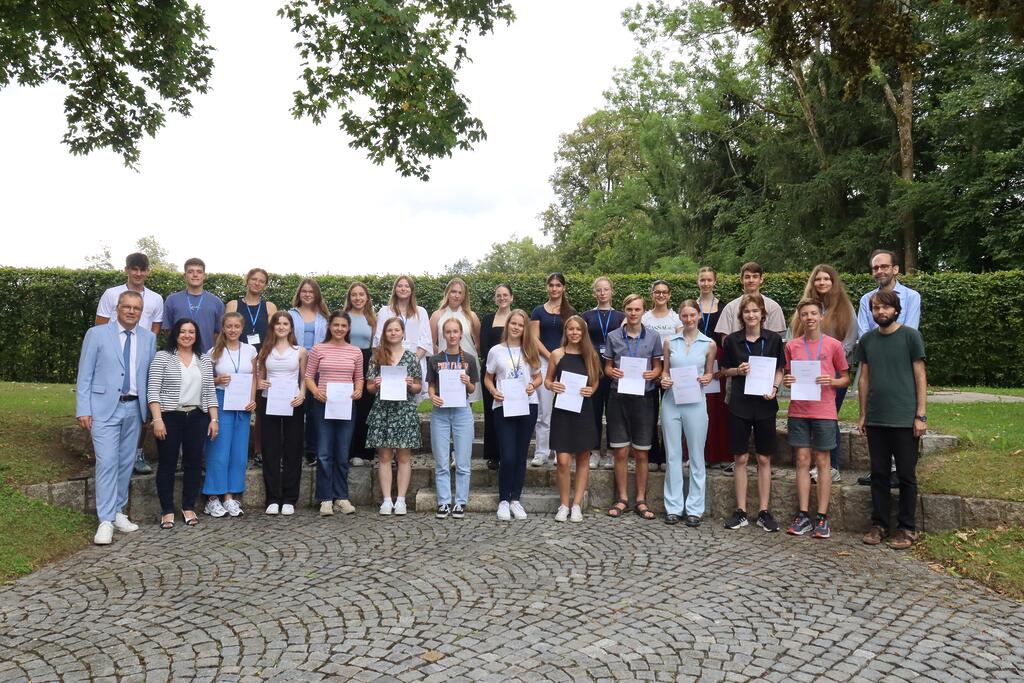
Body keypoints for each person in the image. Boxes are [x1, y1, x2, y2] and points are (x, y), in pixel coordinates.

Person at [76, 291, 157, 545]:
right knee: (108, 461)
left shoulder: (149, 338)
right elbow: (85, 374)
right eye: (127, 307)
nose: (132, 311)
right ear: (117, 308)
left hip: (134, 409)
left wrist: (151, 411)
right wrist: (83, 409)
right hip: (103, 408)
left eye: (137, 308)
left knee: (124, 463)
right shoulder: (97, 334)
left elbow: (150, 376)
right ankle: (105, 520)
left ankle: (119, 511)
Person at [856, 290, 927, 550]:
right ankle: (879, 524)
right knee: (879, 474)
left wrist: (921, 414)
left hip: (905, 418)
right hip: (876, 418)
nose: (880, 312)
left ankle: (907, 528)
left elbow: (920, 375)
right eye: (875, 308)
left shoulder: (910, 336)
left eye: (885, 308)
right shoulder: (867, 340)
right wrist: (863, 413)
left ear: (896, 310)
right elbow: (864, 378)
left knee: (907, 475)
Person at [782, 299, 850, 539]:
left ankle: (822, 517)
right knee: (801, 460)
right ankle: (802, 515)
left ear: (821, 317)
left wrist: (831, 381)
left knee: (822, 461)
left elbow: (845, 378)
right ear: (799, 318)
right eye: (804, 314)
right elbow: (789, 375)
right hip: (799, 409)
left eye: (813, 313)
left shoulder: (833, 345)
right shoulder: (792, 346)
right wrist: (788, 381)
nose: (809, 318)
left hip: (824, 411)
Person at [856, 249, 923, 488]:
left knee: (899, 412)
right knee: (877, 412)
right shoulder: (866, 300)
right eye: (875, 268)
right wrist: (877, 346)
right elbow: (863, 331)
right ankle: (880, 471)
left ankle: (898, 470)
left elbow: (910, 327)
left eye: (884, 266)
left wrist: (889, 340)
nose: (879, 271)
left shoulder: (912, 296)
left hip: (902, 360)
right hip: (874, 359)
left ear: (895, 269)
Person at [720, 293, 786, 532]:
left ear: (762, 314)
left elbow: (779, 369)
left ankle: (764, 510)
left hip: (765, 404)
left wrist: (775, 388)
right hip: (739, 404)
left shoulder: (773, 340)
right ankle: (740, 511)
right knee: (740, 458)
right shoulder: (732, 341)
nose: (751, 315)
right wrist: (738, 370)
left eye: (755, 311)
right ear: (741, 315)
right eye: (747, 312)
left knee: (764, 458)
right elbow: (724, 371)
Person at [94, 252, 164, 475]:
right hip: (115, 358)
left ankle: (138, 452)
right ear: (126, 270)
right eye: (134, 269)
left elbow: (155, 329)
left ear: (148, 272)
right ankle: (111, 453)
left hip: (140, 357)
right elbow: (100, 326)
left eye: (142, 269)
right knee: (114, 402)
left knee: (141, 405)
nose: (138, 273)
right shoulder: (111, 294)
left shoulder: (155, 298)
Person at [147, 319, 218, 529]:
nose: (187, 335)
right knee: (167, 464)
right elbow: (153, 390)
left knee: (194, 463)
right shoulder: (163, 357)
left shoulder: (203, 359)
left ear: (196, 336)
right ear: (175, 334)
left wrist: (214, 419)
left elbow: (210, 392)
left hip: (197, 416)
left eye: (192, 332)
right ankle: (167, 510)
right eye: (183, 331)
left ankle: (188, 507)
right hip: (169, 417)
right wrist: (157, 419)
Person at [791, 264, 857, 483]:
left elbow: (850, 338)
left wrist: (831, 359)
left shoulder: (845, 307)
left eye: (826, 279)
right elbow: (794, 336)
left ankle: (833, 466)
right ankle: (814, 466)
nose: (822, 283)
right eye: (818, 279)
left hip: (833, 373)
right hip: (807, 374)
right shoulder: (806, 306)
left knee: (829, 418)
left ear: (833, 281)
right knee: (809, 416)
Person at [602, 294, 663, 521]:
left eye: (637, 309)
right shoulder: (613, 336)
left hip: (644, 398)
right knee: (619, 450)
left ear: (643, 311)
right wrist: (612, 372)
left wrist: (653, 373)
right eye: (629, 309)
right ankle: (621, 498)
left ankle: (640, 499)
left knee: (641, 452)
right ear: (625, 310)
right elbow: (607, 367)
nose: (633, 313)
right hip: (618, 396)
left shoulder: (654, 337)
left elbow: (658, 367)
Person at [659, 300, 716, 527]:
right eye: (685, 315)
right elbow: (664, 372)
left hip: (695, 402)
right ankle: (673, 506)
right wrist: (664, 380)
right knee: (672, 455)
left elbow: (710, 374)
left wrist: (707, 378)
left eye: (693, 315)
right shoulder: (669, 341)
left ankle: (695, 508)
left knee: (696, 456)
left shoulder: (709, 343)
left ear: (699, 316)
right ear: (680, 317)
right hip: (672, 401)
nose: (689, 319)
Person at [484, 309, 542, 521]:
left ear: (525, 328)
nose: (516, 327)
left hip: (528, 406)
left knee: (520, 455)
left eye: (520, 324)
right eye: (513, 323)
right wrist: (493, 391)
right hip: (503, 406)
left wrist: (531, 385)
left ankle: (515, 499)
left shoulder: (530, 349)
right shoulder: (496, 351)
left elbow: (538, 378)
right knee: (507, 455)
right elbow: (488, 378)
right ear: (507, 325)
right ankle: (503, 500)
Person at [305, 311, 364, 516]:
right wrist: (315, 392)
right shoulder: (318, 349)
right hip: (323, 404)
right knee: (323, 453)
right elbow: (309, 376)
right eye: (336, 325)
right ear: (330, 327)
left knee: (342, 452)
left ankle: (342, 497)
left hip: (346, 405)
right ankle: (325, 499)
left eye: (343, 326)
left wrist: (358, 390)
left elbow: (359, 378)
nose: (339, 329)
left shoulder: (355, 351)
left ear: (348, 329)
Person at [201, 312, 257, 518]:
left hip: (242, 404)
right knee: (218, 450)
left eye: (236, 326)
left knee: (238, 452)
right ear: (223, 328)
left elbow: (254, 378)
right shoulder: (213, 352)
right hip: (221, 401)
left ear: (242, 329)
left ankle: (229, 496)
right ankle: (212, 498)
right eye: (229, 326)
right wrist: (217, 380)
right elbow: (206, 381)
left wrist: (253, 400)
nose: (233, 330)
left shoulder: (250, 350)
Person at [545, 315, 600, 522]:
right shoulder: (557, 354)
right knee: (563, 461)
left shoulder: (591, 355)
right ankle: (563, 504)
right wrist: (552, 386)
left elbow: (595, 383)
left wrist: (590, 390)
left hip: (583, 411)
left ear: (583, 332)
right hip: (562, 411)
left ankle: (576, 504)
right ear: (565, 332)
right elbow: (548, 380)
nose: (575, 333)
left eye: (578, 329)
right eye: (571, 329)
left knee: (583, 458)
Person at [366, 317, 423, 516]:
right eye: (389, 330)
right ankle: (386, 500)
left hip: (404, 411)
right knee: (384, 457)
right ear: (385, 333)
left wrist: (410, 384)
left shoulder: (411, 358)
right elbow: (369, 388)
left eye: (396, 330)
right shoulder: (377, 357)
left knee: (404, 457)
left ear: (402, 332)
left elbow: (418, 387)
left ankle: (401, 500)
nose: (393, 333)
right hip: (383, 410)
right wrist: (377, 383)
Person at [427, 318, 479, 519]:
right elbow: (431, 385)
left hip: (462, 411)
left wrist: (467, 382)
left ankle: (460, 502)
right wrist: (432, 396)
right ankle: (444, 502)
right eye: (448, 332)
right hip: (440, 411)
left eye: (455, 331)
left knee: (463, 460)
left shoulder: (469, 359)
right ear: (443, 334)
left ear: (460, 334)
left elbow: (472, 389)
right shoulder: (435, 359)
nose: (451, 335)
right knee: (441, 460)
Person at [256, 311, 307, 516]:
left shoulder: (300, 351)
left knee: (293, 449)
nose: (282, 327)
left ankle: (289, 498)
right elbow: (260, 377)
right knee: (271, 449)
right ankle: (272, 498)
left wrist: (302, 394)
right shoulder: (265, 351)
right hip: (270, 401)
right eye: (278, 323)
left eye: (285, 323)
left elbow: (304, 378)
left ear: (291, 327)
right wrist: (261, 383)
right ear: (273, 327)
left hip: (293, 402)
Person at [226, 267, 277, 468]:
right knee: (236, 404)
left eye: (261, 280)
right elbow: (225, 330)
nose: (257, 283)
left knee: (261, 407)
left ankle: (258, 450)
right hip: (239, 360)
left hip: (262, 360)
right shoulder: (233, 304)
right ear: (247, 280)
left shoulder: (269, 307)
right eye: (253, 279)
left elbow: (274, 334)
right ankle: (233, 449)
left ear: (265, 284)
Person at [530, 273, 576, 468]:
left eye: (558, 285)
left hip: (566, 363)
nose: (555, 288)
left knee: (564, 410)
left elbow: (574, 336)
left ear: (563, 288)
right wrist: (550, 356)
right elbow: (533, 338)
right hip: (543, 362)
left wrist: (560, 357)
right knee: (544, 411)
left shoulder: (570, 311)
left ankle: (561, 450)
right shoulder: (538, 311)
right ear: (547, 287)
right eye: (551, 285)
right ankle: (542, 451)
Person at [582, 277, 624, 471]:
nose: (602, 293)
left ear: (612, 291)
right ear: (594, 293)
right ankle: (596, 451)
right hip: (594, 368)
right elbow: (581, 341)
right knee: (595, 410)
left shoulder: (621, 316)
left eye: (606, 289)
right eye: (598, 290)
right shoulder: (587, 316)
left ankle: (613, 453)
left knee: (615, 412)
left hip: (615, 368)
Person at [289, 278, 330, 467]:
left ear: (316, 295)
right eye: (304, 291)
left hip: (318, 368)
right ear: (299, 293)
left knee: (314, 411)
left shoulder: (324, 317)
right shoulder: (290, 314)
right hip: (294, 365)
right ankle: (292, 450)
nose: (307, 294)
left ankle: (312, 451)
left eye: (311, 292)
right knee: (295, 407)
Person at [373, 275, 432, 403]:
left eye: (407, 286)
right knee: (389, 398)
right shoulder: (385, 311)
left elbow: (426, 340)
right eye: (400, 286)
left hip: (415, 362)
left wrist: (411, 362)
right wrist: (392, 362)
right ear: (395, 289)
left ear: (411, 290)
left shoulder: (421, 312)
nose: (403, 289)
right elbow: (378, 339)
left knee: (411, 399)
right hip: (390, 363)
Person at [694, 267, 731, 471]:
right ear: (698, 281)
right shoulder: (692, 306)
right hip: (696, 359)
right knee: (698, 407)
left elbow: (726, 338)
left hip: (718, 360)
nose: (706, 283)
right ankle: (699, 453)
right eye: (702, 280)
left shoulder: (724, 307)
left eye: (709, 280)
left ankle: (719, 453)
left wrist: (723, 366)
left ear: (715, 282)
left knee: (718, 410)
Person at [641, 280, 680, 472]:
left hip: (671, 371)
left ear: (669, 295)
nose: (661, 295)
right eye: (657, 292)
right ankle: (652, 454)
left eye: (664, 292)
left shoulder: (676, 319)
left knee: (669, 414)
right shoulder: (644, 318)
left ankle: (666, 454)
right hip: (648, 370)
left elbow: (681, 344)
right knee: (650, 414)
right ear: (652, 294)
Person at [429, 277, 482, 404]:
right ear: (447, 293)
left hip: (467, 365)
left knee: (467, 401)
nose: (456, 295)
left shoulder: (471, 316)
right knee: (445, 399)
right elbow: (431, 343)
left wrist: (468, 356)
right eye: (453, 291)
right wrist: (442, 353)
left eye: (460, 292)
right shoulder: (437, 315)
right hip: (445, 365)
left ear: (464, 296)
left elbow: (478, 343)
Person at [162, 257, 225, 363]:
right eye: (190, 272)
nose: (195, 275)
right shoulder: (172, 300)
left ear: (204, 276)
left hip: (206, 358)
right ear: (184, 275)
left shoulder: (216, 302)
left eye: (199, 272)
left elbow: (218, 333)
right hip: (178, 358)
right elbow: (168, 330)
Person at [480, 284, 514, 471]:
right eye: (498, 295)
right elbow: (484, 347)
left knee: (511, 411)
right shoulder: (487, 319)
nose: (502, 298)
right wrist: (499, 362)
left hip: (513, 372)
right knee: (491, 412)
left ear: (511, 297)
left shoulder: (517, 318)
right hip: (491, 372)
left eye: (505, 295)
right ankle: (493, 454)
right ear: (495, 298)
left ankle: (509, 451)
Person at [343, 281, 377, 468]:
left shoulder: (372, 318)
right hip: (347, 360)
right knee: (348, 405)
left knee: (366, 407)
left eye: (361, 294)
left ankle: (365, 452)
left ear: (367, 298)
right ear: (350, 298)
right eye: (354, 295)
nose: (358, 298)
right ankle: (349, 451)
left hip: (367, 360)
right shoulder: (344, 317)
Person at [714, 262, 787, 337]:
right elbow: (725, 339)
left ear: (761, 279)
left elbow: (778, 338)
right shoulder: (730, 308)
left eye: (755, 276)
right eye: (747, 277)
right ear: (741, 280)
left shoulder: (773, 307)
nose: (751, 280)